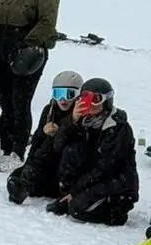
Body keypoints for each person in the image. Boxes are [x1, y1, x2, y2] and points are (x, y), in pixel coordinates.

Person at [0, 0, 59, 173]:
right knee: (6, 102)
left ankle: (18, 152)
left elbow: (47, 23)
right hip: (3, 51)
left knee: (20, 103)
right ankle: (5, 148)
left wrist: (25, 43)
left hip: (28, 55)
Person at [44, 78, 139, 225]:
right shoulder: (83, 121)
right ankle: (70, 197)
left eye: (96, 99)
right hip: (93, 177)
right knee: (71, 150)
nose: (91, 104)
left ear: (107, 101)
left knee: (77, 210)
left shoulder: (117, 127)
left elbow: (106, 167)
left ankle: (116, 211)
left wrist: (75, 191)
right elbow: (58, 146)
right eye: (85, 97)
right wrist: (71, 121)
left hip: (117, 181)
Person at [6, 70, 82, 204]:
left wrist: (62, 129)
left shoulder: (82, 116)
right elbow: (37, 141)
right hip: (49, 160)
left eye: (69, 94)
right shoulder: (50, 111)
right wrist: (29, 167)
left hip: (69, 167)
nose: (63, 99)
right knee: (19, 175)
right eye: (58, 94)